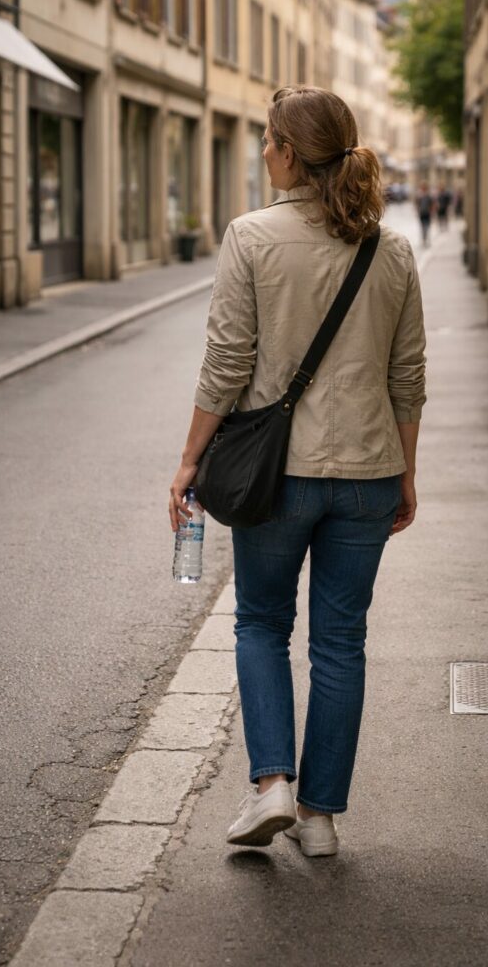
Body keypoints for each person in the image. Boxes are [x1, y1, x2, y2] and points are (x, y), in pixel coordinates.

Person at [169, 86, 426, 855]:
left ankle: (271, 785)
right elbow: (407, 376)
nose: (262, 152)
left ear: (288, 151)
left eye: (267, 140)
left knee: (261, 622)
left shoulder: (251, 236)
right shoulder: (393, 249)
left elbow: (226, 364)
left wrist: (188, 461)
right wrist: (405, 476)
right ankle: (320, 819)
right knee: (341, 643)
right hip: (370, 473)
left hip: (277, 479)